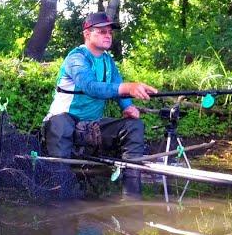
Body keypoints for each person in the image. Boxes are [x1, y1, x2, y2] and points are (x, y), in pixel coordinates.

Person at [42, 11, 158, 194]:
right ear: (87, 33)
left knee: (134, 126)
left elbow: (117, 84)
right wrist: (126, 88)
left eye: (110, 32)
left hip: (91, 125)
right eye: (102, 31)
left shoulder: (108, 61)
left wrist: (127, 106)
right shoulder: (76, 58)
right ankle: (60, 190)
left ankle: (131, 195)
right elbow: (89, 86)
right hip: (64, 123)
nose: (108, 35)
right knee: (61, 123)